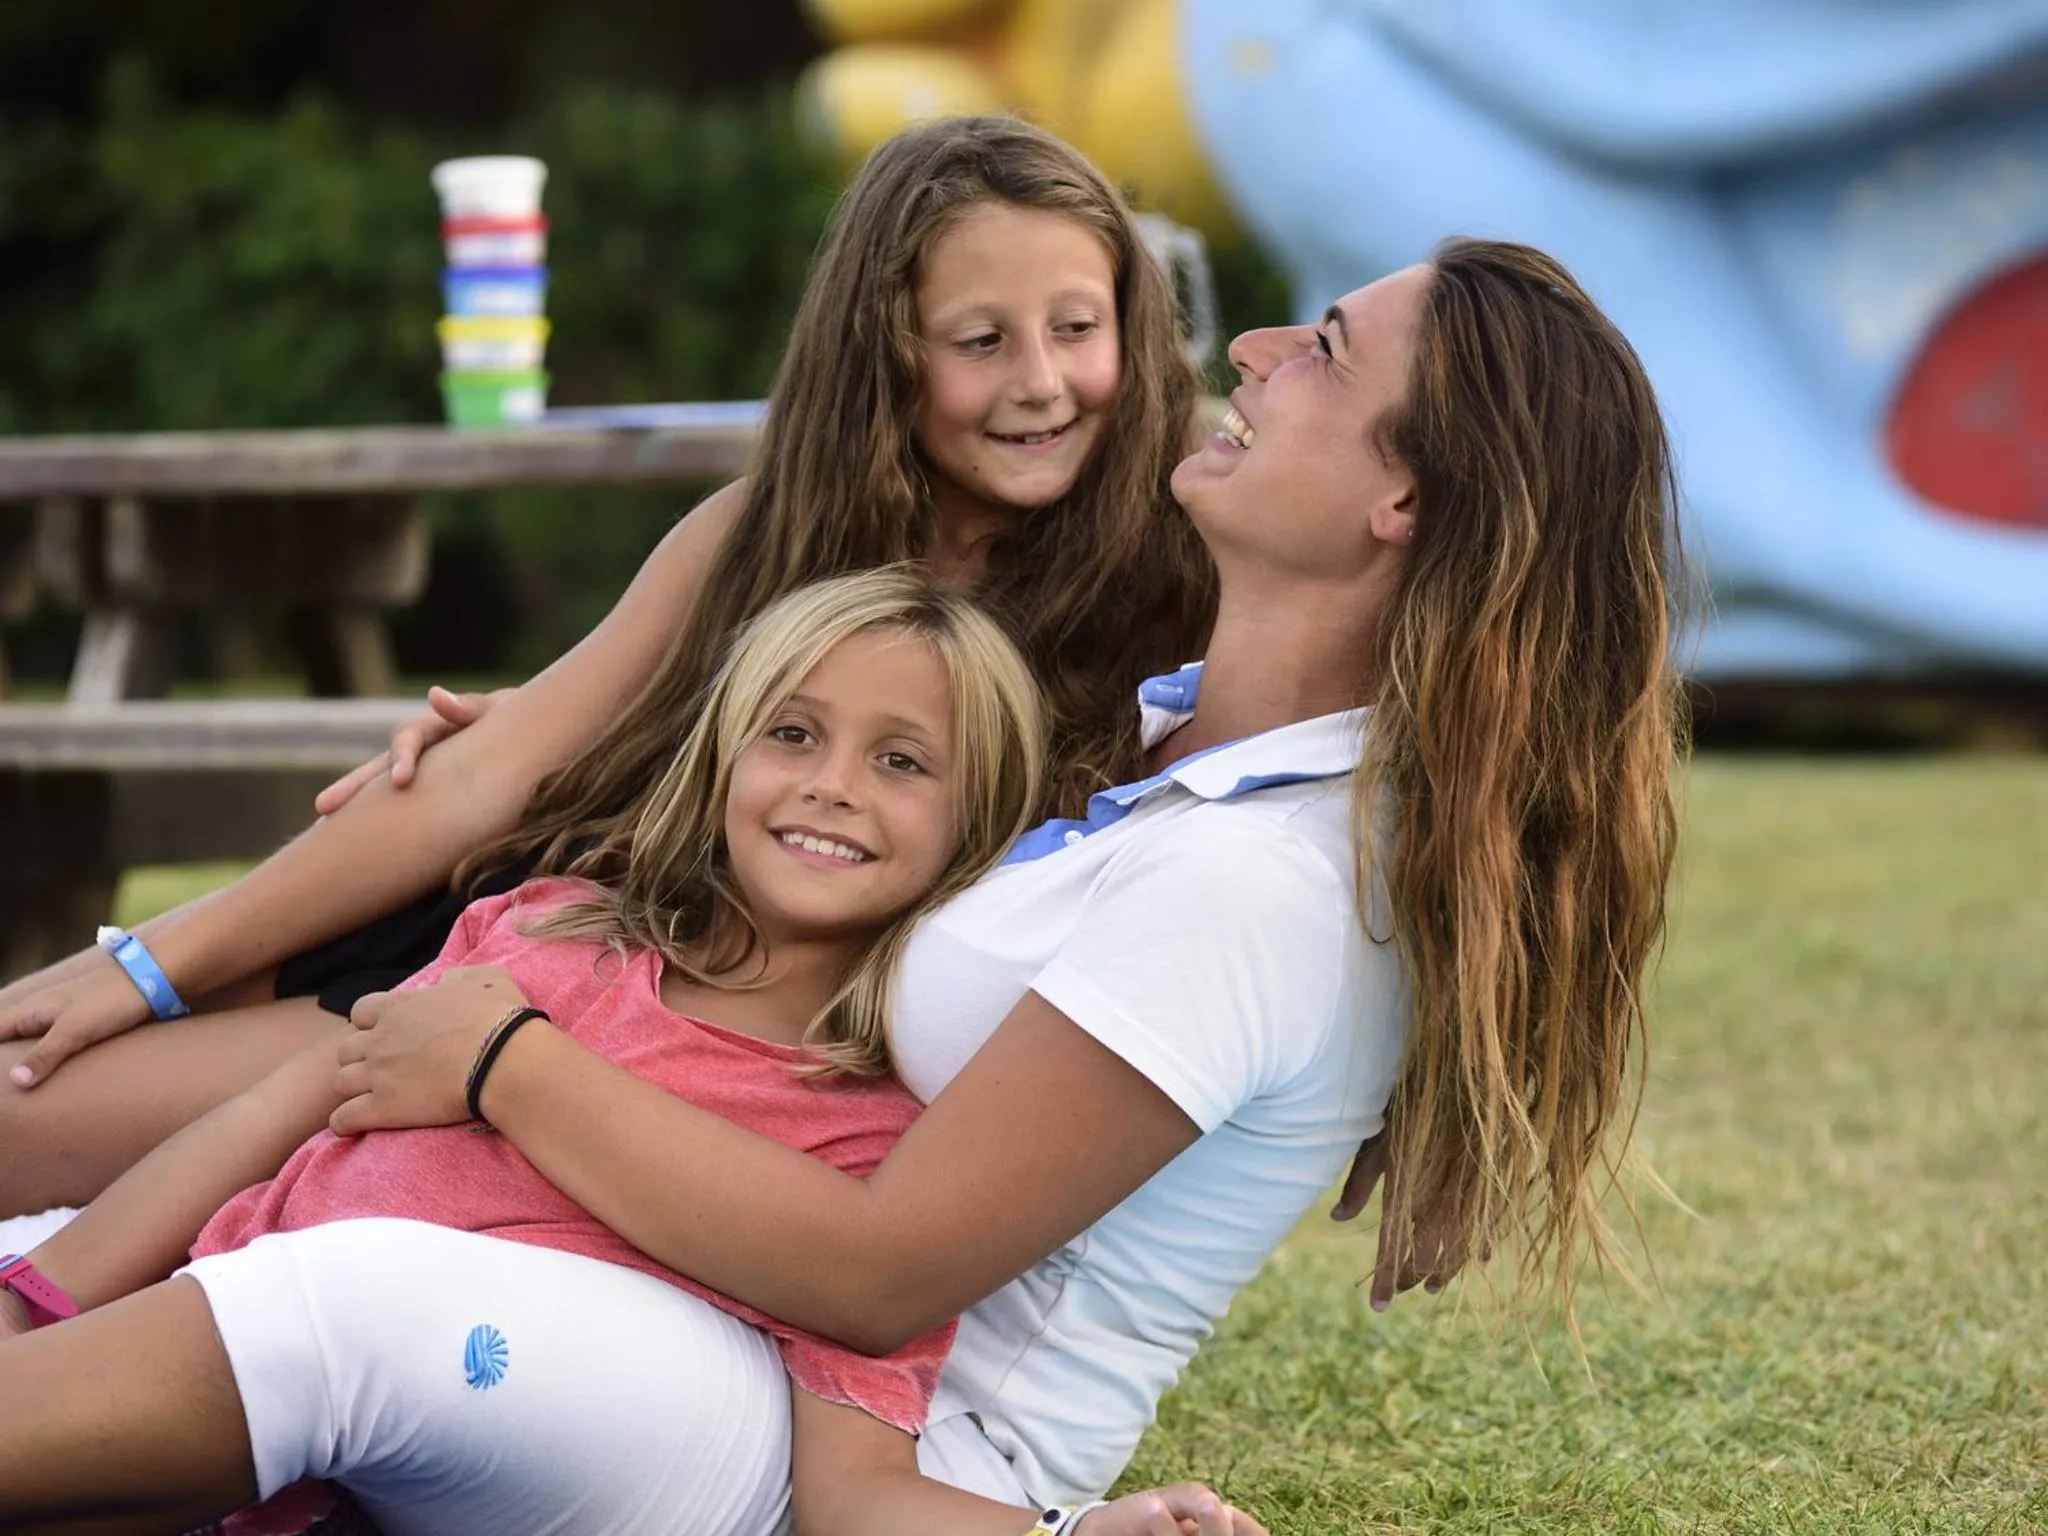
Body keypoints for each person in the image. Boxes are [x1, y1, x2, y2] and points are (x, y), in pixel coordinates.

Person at [9, 237, 1687, 1522]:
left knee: (343, 1311)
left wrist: (508, 1061)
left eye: (1320, 350)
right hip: (667, 1285)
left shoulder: (1262, 882)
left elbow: (882, 1274)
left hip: (849, 1450)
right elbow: (858, 743)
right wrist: (551, 732)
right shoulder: (1162, 754)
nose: (1245, 350)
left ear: (1404, 493)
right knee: (65, 1226)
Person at [0, 113, 1242, 1229]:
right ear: (888, 353)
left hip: (609, 1027)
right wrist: (146, 964)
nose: (1041, 383)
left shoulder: (1187, 576)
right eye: (981, 339)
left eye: (1077, 330)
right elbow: (484, 777)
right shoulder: (761, 534)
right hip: (501, 932)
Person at [0, 569, 1261, 1536]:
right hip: (166, 1327)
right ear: (722, 755)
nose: (831, 785)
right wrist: (44, 1288)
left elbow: (854, 1493)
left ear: (974, 821)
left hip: (318, 1436)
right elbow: (277, 1115)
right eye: (792, 734)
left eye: (899, 762)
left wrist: (1072, 1527)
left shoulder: (860, 1130)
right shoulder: (542, 930)